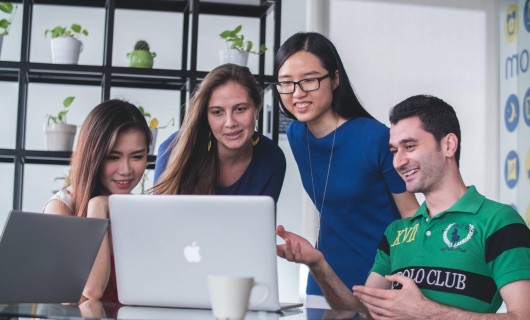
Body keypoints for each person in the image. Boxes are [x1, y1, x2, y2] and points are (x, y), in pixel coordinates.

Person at [277, 94, 530, 318]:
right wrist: (318, 263)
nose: (398, 161)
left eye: (409, 146)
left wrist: (426, 312)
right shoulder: (396, 232)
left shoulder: (499, 221)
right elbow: (362, 309)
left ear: (448, 145)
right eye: (394, 150)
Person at [274, 32, 419, 305]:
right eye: (286, 83)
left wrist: (404, 282)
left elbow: (411, 215)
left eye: (309, 80)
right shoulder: (296, 134)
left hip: (380, 281)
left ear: (335, 79)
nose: (297, 93)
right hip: (324, 278)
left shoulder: (374, 137)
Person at [43, 99, 152, 301]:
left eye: (137, 156)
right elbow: (92, 290)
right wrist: (97, 208)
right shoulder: (60, 208)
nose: (126, 170)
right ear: (93, 156)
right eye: (113, 157)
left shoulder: (137, 210)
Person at [153, 63, 286, 202]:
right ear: (206, 116)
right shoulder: (173, 149)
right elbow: (160, 219)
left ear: (257, 108)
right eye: (217, 112)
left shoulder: (272, 158)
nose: (230, 123)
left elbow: (260, 222)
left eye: (240, 109)